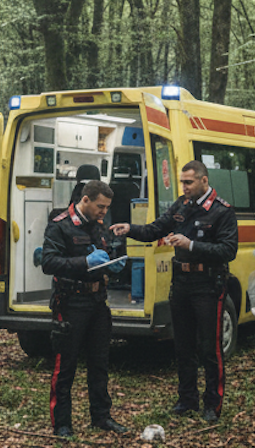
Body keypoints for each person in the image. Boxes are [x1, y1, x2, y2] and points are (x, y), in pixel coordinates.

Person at [110, 160, 238, 423]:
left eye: (189, 182)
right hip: (181, 283)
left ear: (204, 181)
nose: (184, 187)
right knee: (183, 345)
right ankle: (187, 399)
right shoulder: (181, 205)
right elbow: (155, 229)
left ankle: (213, 404)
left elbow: (228, 250)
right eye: (182, 182)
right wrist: (130, 229)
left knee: (209, 348)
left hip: (207, 284)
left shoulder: (222, 211)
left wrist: (191, 245)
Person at [41, 180, 129, 438]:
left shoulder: (98, 228)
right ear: (86, 199)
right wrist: (85, 261)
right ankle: (62, 423)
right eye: (100, 207)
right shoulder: (60, 225)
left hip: (97, 302)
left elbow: (107, 251)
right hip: (70, 302)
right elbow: (48, 262)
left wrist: (112, 264)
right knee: (65, 364)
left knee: (100, 362)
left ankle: (101, 416)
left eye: (107, 208)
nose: (104, 212)